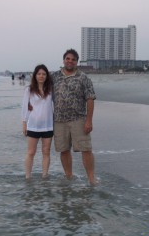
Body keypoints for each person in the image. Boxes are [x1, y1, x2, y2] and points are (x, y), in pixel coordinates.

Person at [52, 49, 97, 185]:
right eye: (67, 58)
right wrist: (30, 103)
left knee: (86, 149)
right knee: (64, 150)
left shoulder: (83, 77)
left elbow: (90, 99)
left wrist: (89, 121)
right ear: (64, 60)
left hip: (78, 119)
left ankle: (91, 178)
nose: (70, 61)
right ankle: (69, 176)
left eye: (73, 59)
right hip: (59, 121)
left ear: (76, 62)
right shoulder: (55, 77)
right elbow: (41, 92)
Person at [21, 64, 54, 180]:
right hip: (33, 125)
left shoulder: (51, 89)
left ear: (47, 76)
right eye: (39, 74)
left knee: (46, 152)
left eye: (44, 74)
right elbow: (25, 107)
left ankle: (44, 176)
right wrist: (24, 123)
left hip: (48, 126)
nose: (41, 76)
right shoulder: (29, 90)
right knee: (31, 152)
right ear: (35, 75)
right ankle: (28, 177)